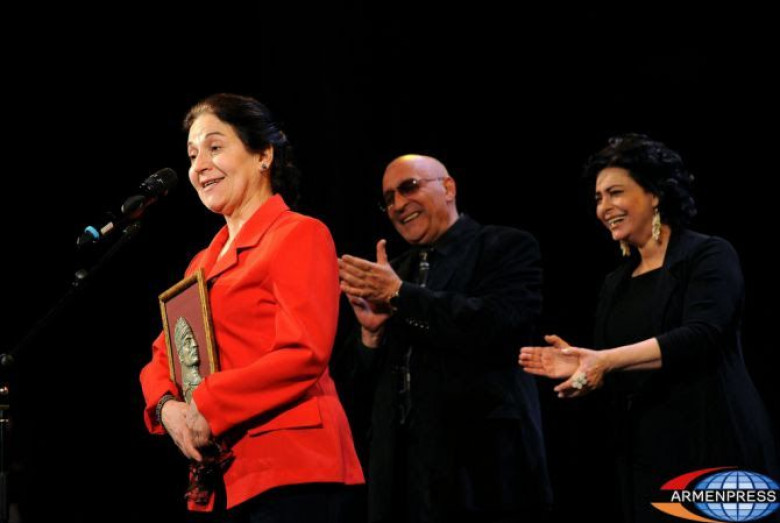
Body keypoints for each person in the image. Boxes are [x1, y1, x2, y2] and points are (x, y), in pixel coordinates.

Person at [519, 134, 778, 522]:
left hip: (714, 440)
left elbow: (702, 334)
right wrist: (587, 369)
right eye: (598, 198)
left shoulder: (708, 254)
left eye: (615, 193)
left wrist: (606, 360)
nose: (604, 207)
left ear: (655, 194)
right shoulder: (616, 282)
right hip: (647, 452)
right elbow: (621, 365)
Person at [139, 93, 363, 521]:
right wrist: (167, 408)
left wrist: (208, 404)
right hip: (223, 477)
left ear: (263, 155)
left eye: (215, 147)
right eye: (192, 154)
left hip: (294, 469)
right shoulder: (200, 264)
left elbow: (304, 352)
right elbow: (162, 356)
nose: (199, 165)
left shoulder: (299, 234)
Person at [337, 154, 552, 522]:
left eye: (409, 187)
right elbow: (353, 389)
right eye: (388, 198)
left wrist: (401, 295)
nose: (398, 204)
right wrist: (370, 335)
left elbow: (497, 325)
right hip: (400, 478)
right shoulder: (392, 274)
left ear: (448, 188)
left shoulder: (504, 246)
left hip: (481, 471)